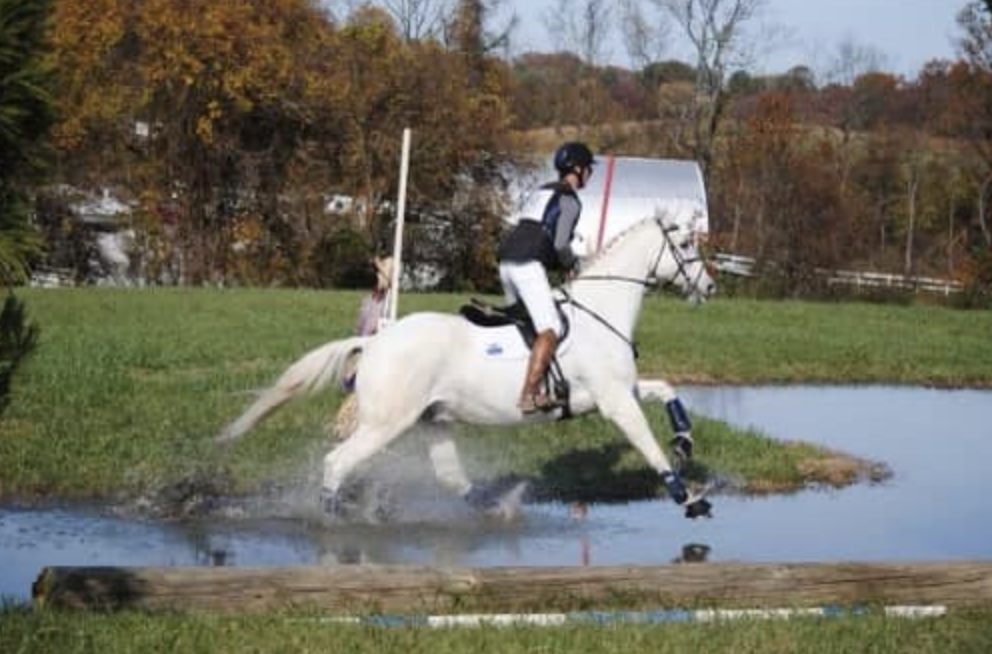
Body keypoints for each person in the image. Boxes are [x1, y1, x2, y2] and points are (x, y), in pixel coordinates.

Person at [498, 141, 596, 413]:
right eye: (588, 169)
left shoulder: (542, 191)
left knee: (523, 326)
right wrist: (572, 264)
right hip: (528, 264)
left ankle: (523, 383)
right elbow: (560, 244)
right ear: (578, 169)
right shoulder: (571, 200)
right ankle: (528, 394)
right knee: (550, 330)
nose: (590, 174)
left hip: (506, 260)